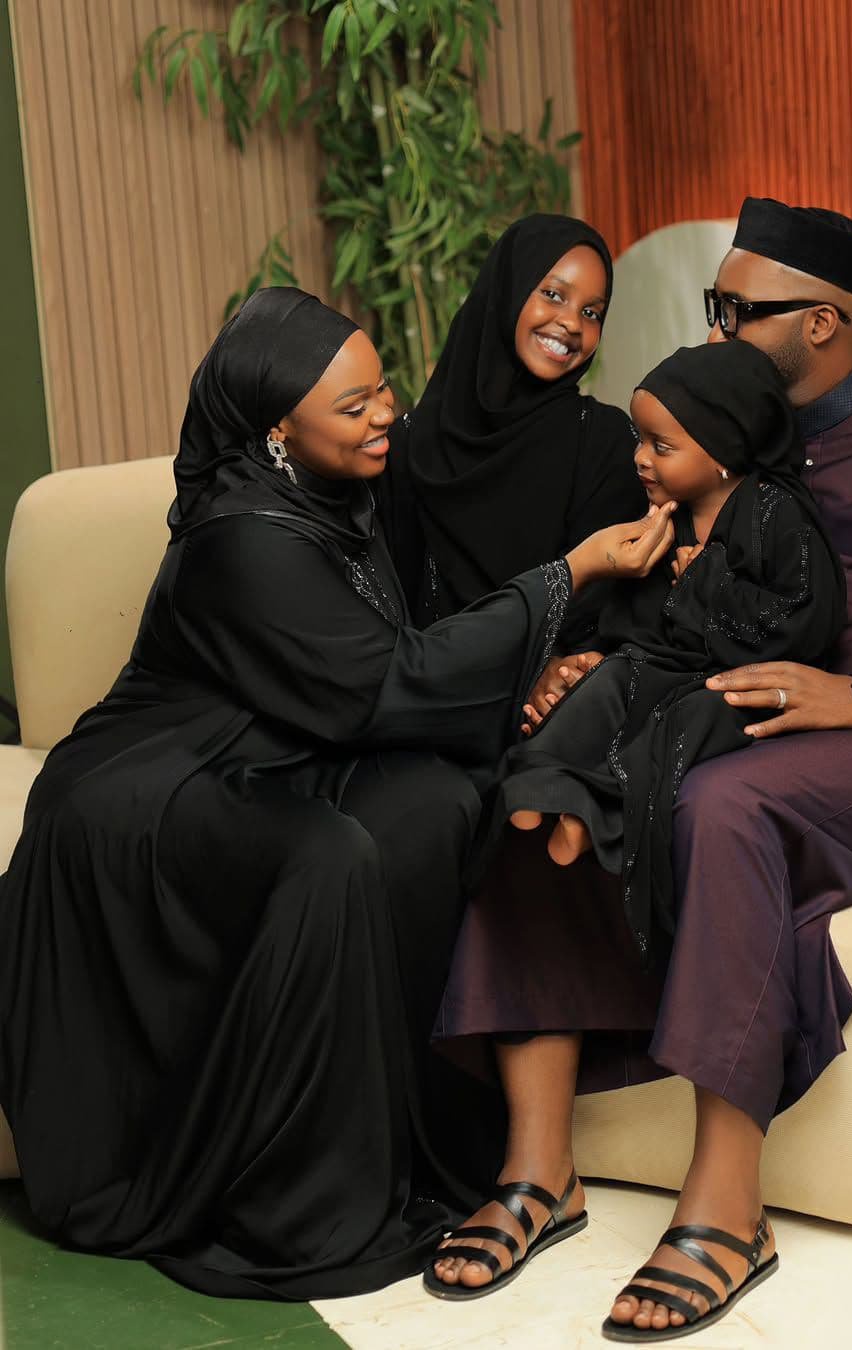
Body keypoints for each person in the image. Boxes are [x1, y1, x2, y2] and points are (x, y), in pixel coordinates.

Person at [426, 199, 852, 1342]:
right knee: (544, 789)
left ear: (824, 322)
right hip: (734, 722)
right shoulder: (707, 432)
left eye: (736, 308)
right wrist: (593, 661)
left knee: (720, 804)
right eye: (712, 305)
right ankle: (538, 1171)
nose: (714, 325)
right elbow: (664, 607)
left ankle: (727, 1203)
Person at [0, 287, 675, 1301]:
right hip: (151, 788)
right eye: (353, 406)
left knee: (443, 807)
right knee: (330, 856)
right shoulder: (243, 539)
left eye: (383, 388)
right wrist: (569, 573)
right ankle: (302, 1193)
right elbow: (390, 681)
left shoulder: (340, 493)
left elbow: (377, 672)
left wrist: (550, 662)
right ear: (279, 428)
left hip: (280, 747)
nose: (385, 413)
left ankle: (426, 1140)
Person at [492, 341, 845, 967]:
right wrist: (604, 654)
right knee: (613, 682)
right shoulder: (666, 518)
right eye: (641, 440)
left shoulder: (776, 513)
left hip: (740, 681)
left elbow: (802, 618)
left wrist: (707, 579)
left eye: (661, 446)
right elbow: (634, 618)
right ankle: (541, 783)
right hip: (668, 667)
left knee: (686, 718)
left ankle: (597, 815)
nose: (640, 458)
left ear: (722, 452)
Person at [382, 213, 644, 657]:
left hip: (564, 690)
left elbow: (605, 606)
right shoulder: (407, 446)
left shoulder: (605, 441)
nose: (572, 324)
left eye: (591, 312)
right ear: (506, 290)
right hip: (432, 686)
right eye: (553, 294)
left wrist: (550, 670)